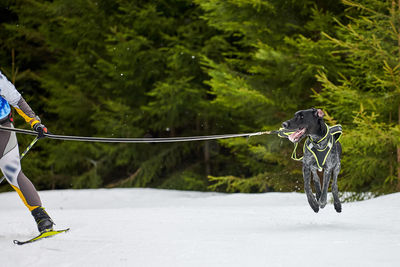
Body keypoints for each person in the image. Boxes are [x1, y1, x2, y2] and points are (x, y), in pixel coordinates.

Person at [0, 70, 54, 233]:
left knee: (13, 172)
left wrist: (35, 123)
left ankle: (42, 217)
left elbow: (17, 101)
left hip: (2, 129)